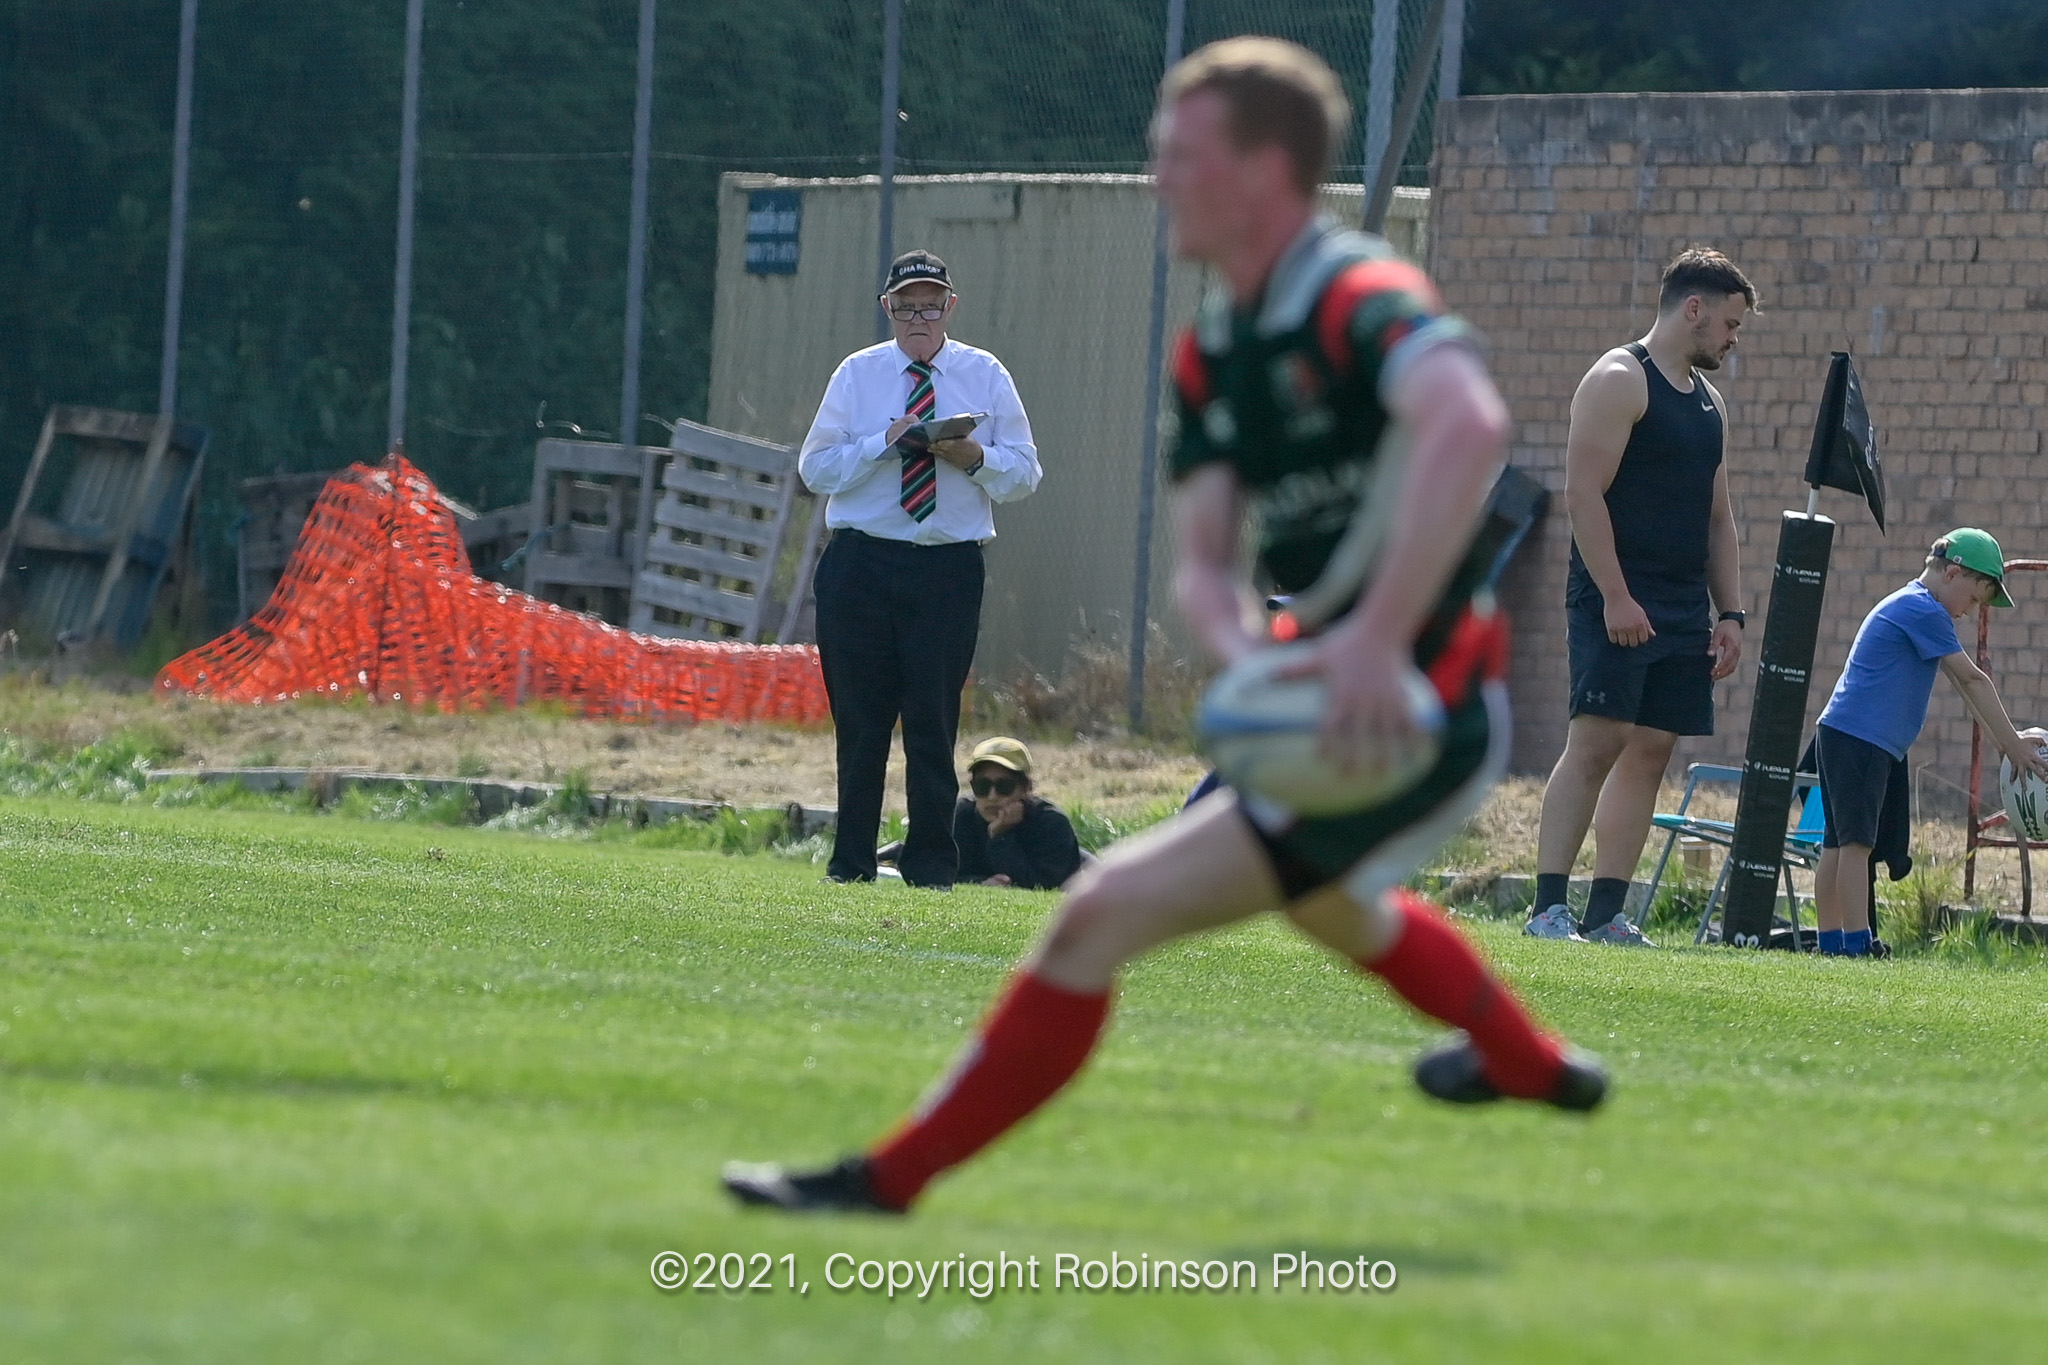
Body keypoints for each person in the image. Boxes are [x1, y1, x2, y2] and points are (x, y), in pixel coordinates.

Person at [723, 37, 1605, 1216]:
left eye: (1180, 156)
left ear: (1263, 169)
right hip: (1335, 694)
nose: (1158, 179)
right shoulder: (1217, 349)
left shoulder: (1352, 296)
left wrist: (1364, 637)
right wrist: (1251, 654)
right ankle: (1528, 1062)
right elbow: (1202, 565)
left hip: (1415, 699)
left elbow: (1466, 426)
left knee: (1099, 914)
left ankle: (884, 1182)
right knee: (1326, 903)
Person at [1525, 248, 1757, 947]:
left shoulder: (1711, 403)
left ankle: (1606, 916)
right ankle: (1548, 910)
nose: (1733, 338)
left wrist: (1730, 613)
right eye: (1730, 323)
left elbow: (1719, 517)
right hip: (1615, 596)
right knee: (1597, 741)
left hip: (1682, 605)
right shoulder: (1619, 379)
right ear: (1694, 308)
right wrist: (1616, 596)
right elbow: (1582, 494)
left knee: (1652, 748)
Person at [798, 249, 1042, 889]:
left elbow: (1025, 473)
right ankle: (851, 864)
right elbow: (815, 469)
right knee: (861, 723)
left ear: (950, 307)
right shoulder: (857, 375)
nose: (918, 319)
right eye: (905, 307)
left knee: (932, 722)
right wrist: (883, 444)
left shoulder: (985, 374)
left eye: (929, 307)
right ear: (887, 309)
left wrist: (973, 457)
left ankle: (931, 867)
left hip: (946, 568)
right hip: (861, 563)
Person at [1811, 531, 2048, 956]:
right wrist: (2014, 745)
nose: (1969, 612)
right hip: (1861, 739)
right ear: (1953, 573)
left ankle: (1830, 943)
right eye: (1973, 599)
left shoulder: (1915, 606)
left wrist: (2005, 743)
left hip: (1843, 735)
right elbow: (1973, 679)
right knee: (1856, 845)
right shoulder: (1923, 610)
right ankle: (1857, 945)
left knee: (1837, 843)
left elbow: (1963, 686)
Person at [951, 736, 1085, 890]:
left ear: (1026, 788)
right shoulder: (959, 817)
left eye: (1004, 787)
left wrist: (1000, 838)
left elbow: (1046, 884)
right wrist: (981, 883)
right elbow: (943, 871)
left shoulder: (1052, 824)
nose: (992, 796)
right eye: (982, 786)